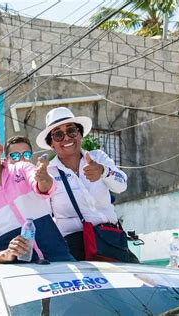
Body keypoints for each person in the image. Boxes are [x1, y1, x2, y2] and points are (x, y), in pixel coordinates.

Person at [0, 122, 74, 267]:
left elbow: (42, 186)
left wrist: (44, 179)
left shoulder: (22, 168)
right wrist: (4, 254)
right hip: (15, 274)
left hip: (61, 260)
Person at [35, 107, 128, 261]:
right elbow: (45, 217)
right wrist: (42, 185)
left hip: (110, 241)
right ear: (51, 143)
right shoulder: (48, 172)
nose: (66, 138)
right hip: (73, 249)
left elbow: (122, 184)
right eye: (58, 135)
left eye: (71, 131)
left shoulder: (98, 157)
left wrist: (103, 171)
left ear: (79, 134)